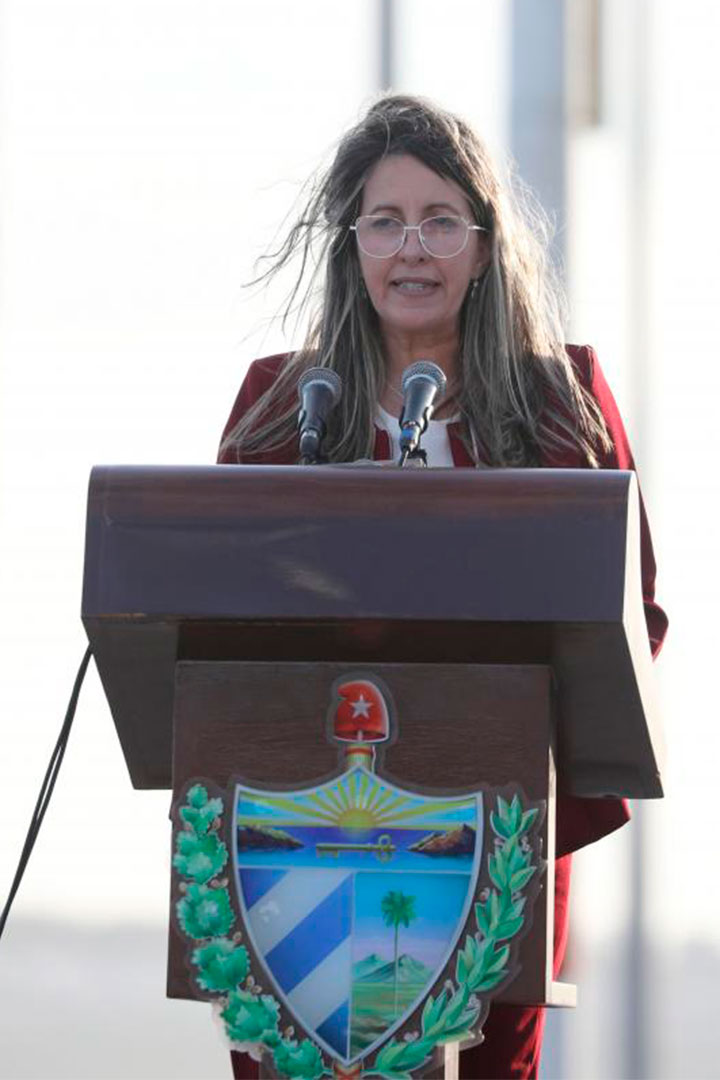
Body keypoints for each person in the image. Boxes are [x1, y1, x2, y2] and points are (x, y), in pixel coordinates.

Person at [219, 94, 667, 1080]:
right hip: (294, 838)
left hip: (493, 832)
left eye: (439, 220)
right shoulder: (277, 409)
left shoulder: (563, 408)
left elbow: (633, 616)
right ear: (351, 244)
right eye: (385, 220)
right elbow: (214, 634)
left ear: (482, 244)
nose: (411, 247)